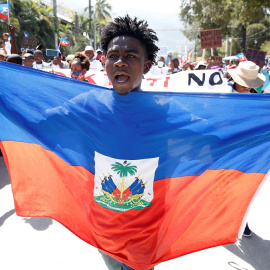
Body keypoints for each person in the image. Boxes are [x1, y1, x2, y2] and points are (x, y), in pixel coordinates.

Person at [99, 14, 159, 269]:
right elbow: (40, 121)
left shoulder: (166, 115)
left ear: (146, 66)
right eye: (113, 56)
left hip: (145, 234)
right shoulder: (88, 107)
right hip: (104, 232)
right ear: (104, 63)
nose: (120, 62)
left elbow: (214, 137)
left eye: (131, 56)